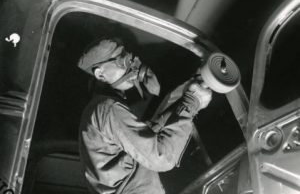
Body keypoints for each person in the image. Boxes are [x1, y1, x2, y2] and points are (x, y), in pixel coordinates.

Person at [78, 38, 212, 194]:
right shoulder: (107, 109)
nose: (131, 64)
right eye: (121, 60)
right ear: (100, 74)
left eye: (128, 56)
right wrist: (191, 103)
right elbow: (161, 157)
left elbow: (152, 130)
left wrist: (190, 92)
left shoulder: (104, 109)